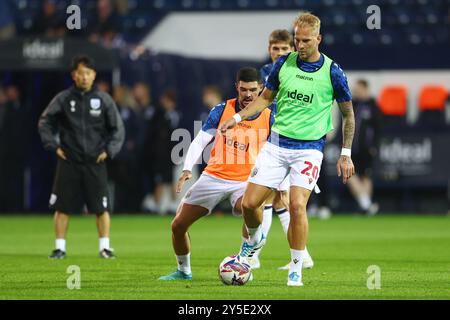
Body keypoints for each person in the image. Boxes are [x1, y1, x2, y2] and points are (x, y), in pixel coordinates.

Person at [219, 12, 355, 286]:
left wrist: (346, 153)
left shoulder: (333, 72)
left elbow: (349, 115)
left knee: (295, 205)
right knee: (248, 203)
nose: (300, 45)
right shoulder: (283, 64)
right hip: (277, 145)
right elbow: (263, 101)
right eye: (297, 39)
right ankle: (254, 242)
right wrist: (236, 118)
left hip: (309, 150)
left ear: (318, 39)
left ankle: (296, 267)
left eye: (305, 40)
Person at [159, 67, 273, 280]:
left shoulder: (269, 115)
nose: (248, 95)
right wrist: (186, 168)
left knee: (249, 205)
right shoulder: (221, 110)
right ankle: (184, 271)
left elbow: (280, 149)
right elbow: (200, 140)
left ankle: (255, 240)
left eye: (253, 90)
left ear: (261, 89)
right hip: (214, 177)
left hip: (246, 180)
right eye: (244, 90)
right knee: (178, 225)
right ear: (236, 88)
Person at [38, 55, 125, 259]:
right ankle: (60, 248)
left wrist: (109, 150)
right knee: (62, 207)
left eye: (88, 73)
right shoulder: (64, 99)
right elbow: (45, 121)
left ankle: (105, 247)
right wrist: (53, 145)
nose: (84, 77)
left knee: (101, 207)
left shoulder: (103, 99)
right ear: (73, 75)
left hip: (95, 162)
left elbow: (118, 129)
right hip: (69, 161)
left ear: (94, 75)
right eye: (80, 73)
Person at [255, 29, 314, 271]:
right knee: (280, 200)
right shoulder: (264, 72)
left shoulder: (297, 69)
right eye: (275, 48)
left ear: (292, 49)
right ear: (269, 49)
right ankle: (303, 256)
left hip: (290, 140)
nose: (279, 52)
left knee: (272, 198)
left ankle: (253, 254)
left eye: (283, 48)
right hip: (270, 138)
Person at [346, 79, 382, 215]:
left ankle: (365, 207)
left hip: (366, 149)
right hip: (351, 149)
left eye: (358, 89)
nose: (356, 91)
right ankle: (366, 204)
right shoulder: (351, 105)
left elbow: (378, 130)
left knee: (366, 177)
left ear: (365, 89)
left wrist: (375, 146)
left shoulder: (373, 106)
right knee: (349, 175)